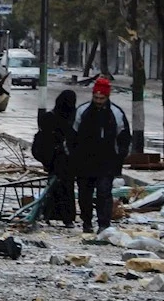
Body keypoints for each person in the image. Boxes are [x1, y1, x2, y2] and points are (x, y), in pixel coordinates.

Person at [70, 76, 131, 233]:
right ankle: (87, 222)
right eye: (96, 97)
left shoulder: (116, 114)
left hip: (107, 162)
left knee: (104, 193)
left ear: (107, 96)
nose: (98, 101)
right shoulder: (82, 112)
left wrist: (119, 158)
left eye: (101, 98)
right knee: (85, 194)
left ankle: (104, 224)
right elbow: (72, 135)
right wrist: (73, 156)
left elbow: (124, 138)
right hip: (84, 162)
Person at [33, 90, 78, 226]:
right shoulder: (73, 118)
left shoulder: (49, 117)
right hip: (65, 159)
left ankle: (49, 214)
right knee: (66, 188)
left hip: (52, 159)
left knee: (53, 186)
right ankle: (66, 217)